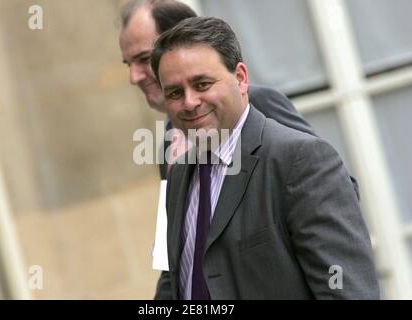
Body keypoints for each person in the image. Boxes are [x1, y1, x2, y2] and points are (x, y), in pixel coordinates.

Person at [150, 16, 380, 299]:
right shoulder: (178, 177)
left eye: (202, 84)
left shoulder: (301, 160)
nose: (189, 102)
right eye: (174, 92)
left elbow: (347, 291)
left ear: (241, 78)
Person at [119, 0, 318, 180]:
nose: (133, 77)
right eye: (129, 64)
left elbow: (327, 184)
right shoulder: (168, 142)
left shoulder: (258, 103)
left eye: (144, 59)